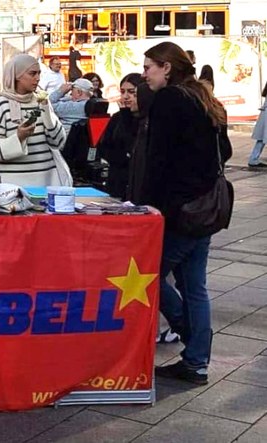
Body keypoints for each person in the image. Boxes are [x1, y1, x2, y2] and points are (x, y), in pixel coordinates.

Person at [139, 41, 231, 385]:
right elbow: (225, 149)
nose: (145, 73)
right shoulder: (202, 97)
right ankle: (196, 362)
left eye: (149, 66)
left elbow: (158, 160)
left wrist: (148, 205)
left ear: (167, 67)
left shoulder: (169, 99)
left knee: (147, 276)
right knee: (195, 286)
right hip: (204, 209)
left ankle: (192, 339)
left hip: (178, 211)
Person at [0, 54, 69, 187]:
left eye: (39, 73)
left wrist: (46, 112)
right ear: (17, 76)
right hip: (12, 186)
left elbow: (58, 142)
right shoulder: (1, 103)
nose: (37, 78)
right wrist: (19, 137)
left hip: (46, 183)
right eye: (32, 74)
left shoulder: (41, 100)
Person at [97, 73, 143, 200]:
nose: (126, 96)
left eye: (131, 92)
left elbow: (133, 144)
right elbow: (104, 144)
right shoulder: (118, 117)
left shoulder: (145, 118)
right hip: (116, 178)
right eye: (123, 92)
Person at [248, 81, 267, 168]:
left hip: (264, 116)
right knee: (262, 138)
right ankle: (253, 159)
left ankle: (253, 159)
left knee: (261, 139)